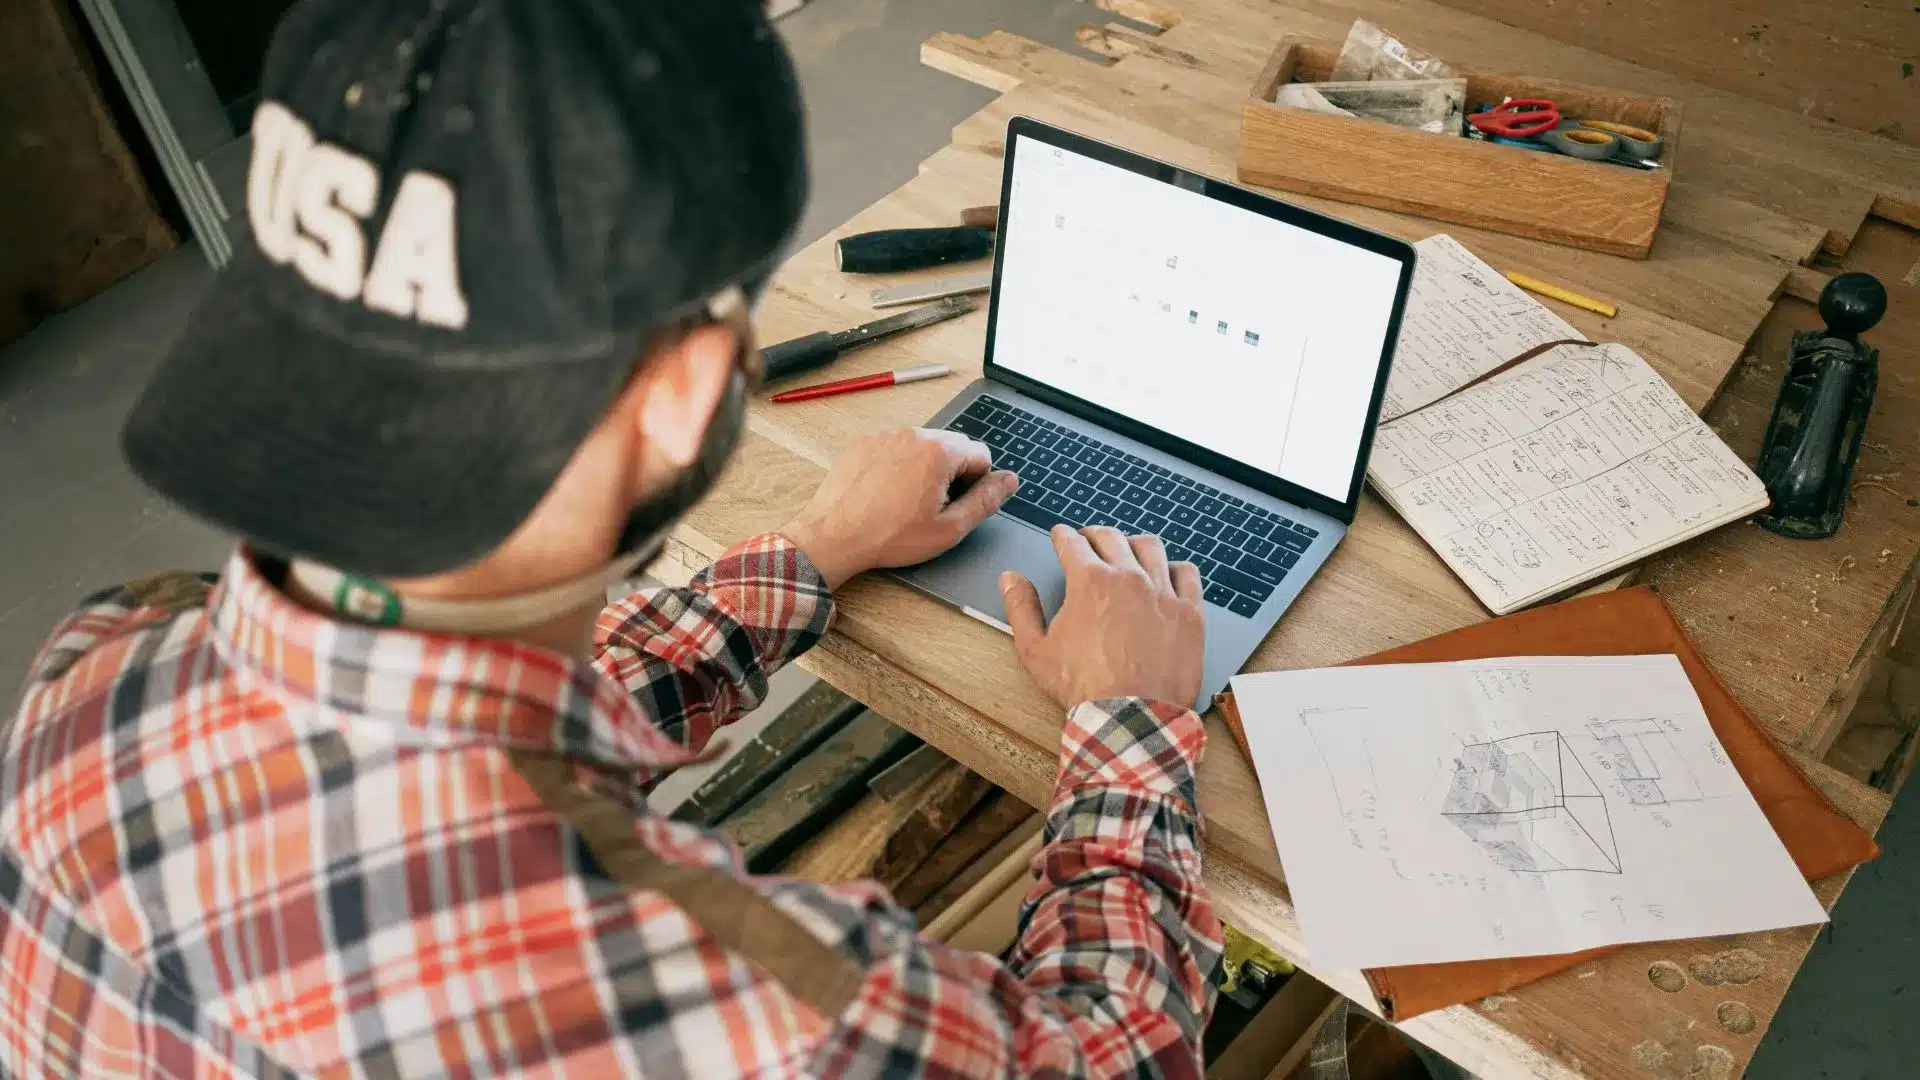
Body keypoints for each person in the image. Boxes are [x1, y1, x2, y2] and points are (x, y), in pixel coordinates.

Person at [0, 2, 1221, 1076]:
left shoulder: (95, 670)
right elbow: (1114, 1057)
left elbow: (441, 720)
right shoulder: (734, 1007)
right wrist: (1128, 729)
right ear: (694, 391)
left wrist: (812, 551)